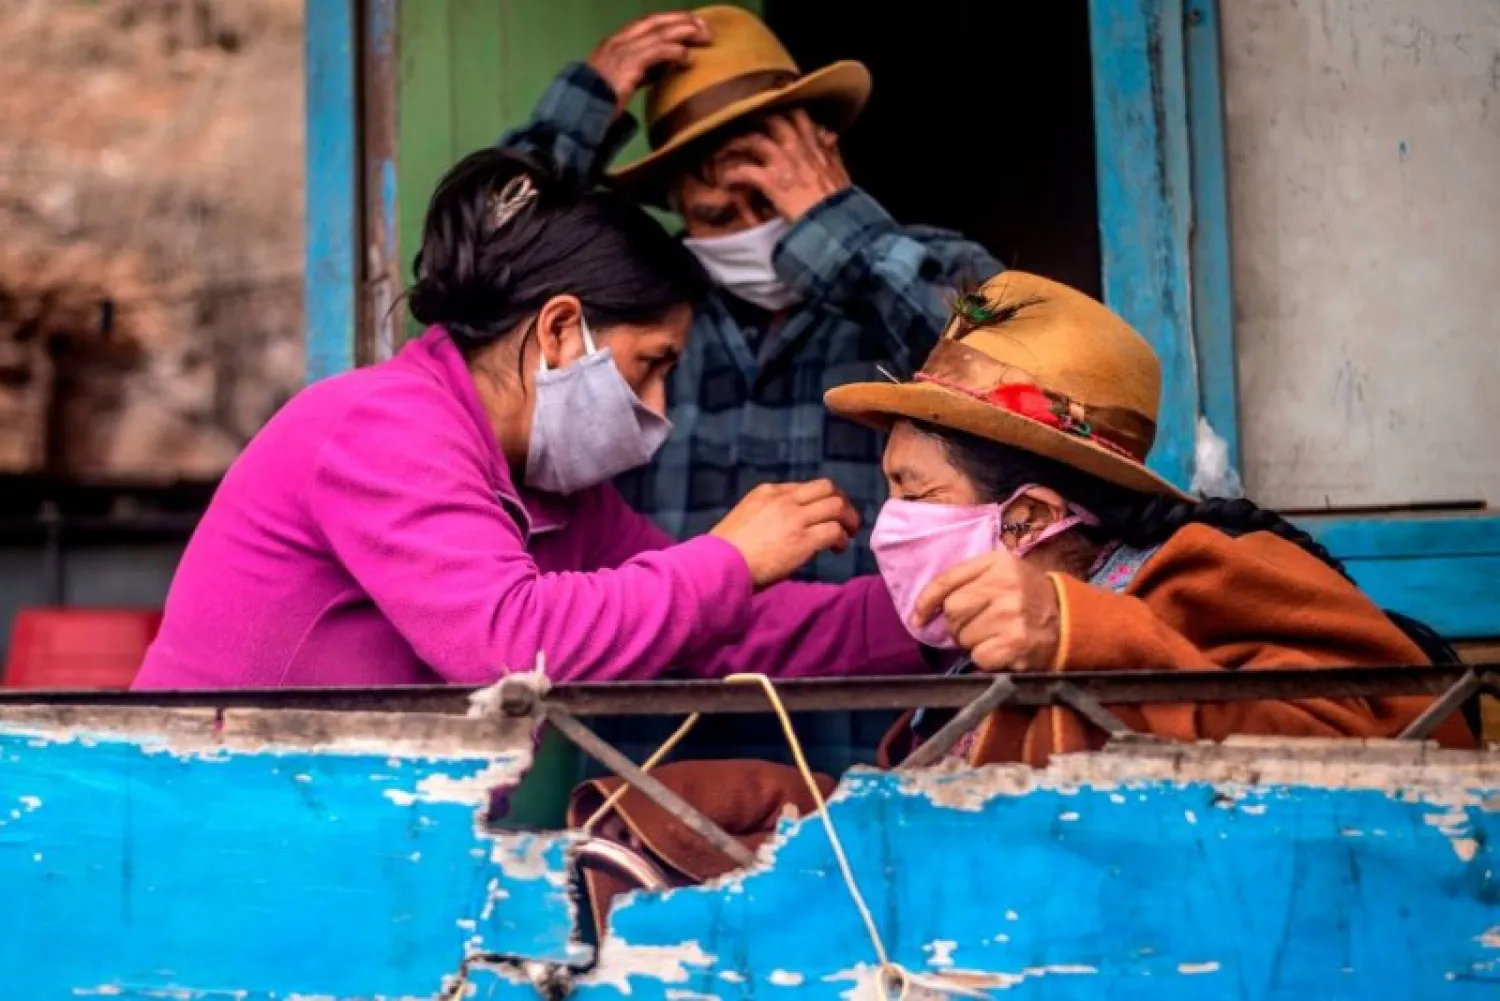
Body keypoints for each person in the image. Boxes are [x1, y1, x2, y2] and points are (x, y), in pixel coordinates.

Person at [569, 271, 1473, 932]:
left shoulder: (1205, 574)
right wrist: (755, 807)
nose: (889, 524)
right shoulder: (965, 672)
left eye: (914, 492)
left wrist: (1083, 634)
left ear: (1029, 517)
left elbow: (1389, 767)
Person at [133, 149, 925, 690]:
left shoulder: (554, 493)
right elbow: (508, 642)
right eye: (652, 363)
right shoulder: (384, 425)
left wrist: (931, 614)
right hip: (221, 823)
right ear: (559, 328)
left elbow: (725, 628)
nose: (658, 411)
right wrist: (728, 556)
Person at [500, 5, 1001, 582]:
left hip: (873, 660)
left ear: (825, 161)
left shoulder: (946, 268)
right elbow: (487, 275)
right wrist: (572, 120)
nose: (748, 231)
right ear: (677, 206)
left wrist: (836, 228)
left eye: (769, 203)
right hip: (669, 662)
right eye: (717, 215)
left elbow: (1015, 385)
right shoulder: (631, 305)